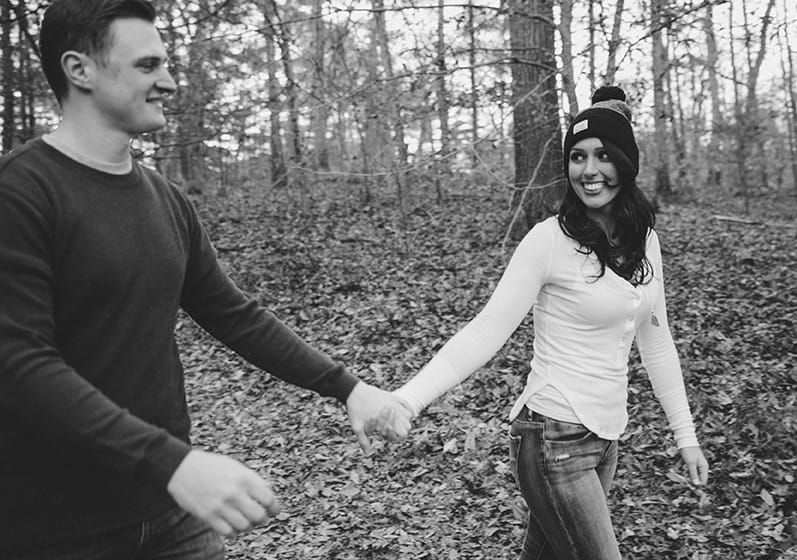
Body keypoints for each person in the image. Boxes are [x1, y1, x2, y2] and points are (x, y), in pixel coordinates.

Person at [0, 1, 409, 558]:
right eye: (148, 66)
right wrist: (174, 464)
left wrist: (347, 387)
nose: (168, 82)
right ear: (80, 70)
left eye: (167, 64)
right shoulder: (21, 193)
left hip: (170, 514)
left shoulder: (164, 199)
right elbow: (20, 363)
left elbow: (232, 313)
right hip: (57, 525)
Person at [379, 86, 710, 559]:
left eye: (602, 155)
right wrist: (407, 400)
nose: (589, 171)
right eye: (577, 157)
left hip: (605, 438)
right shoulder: (547, 241)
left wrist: (686, 436)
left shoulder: (645, 240)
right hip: (553, 440)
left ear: (626, 162)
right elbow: (485, 330)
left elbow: (656, 344)